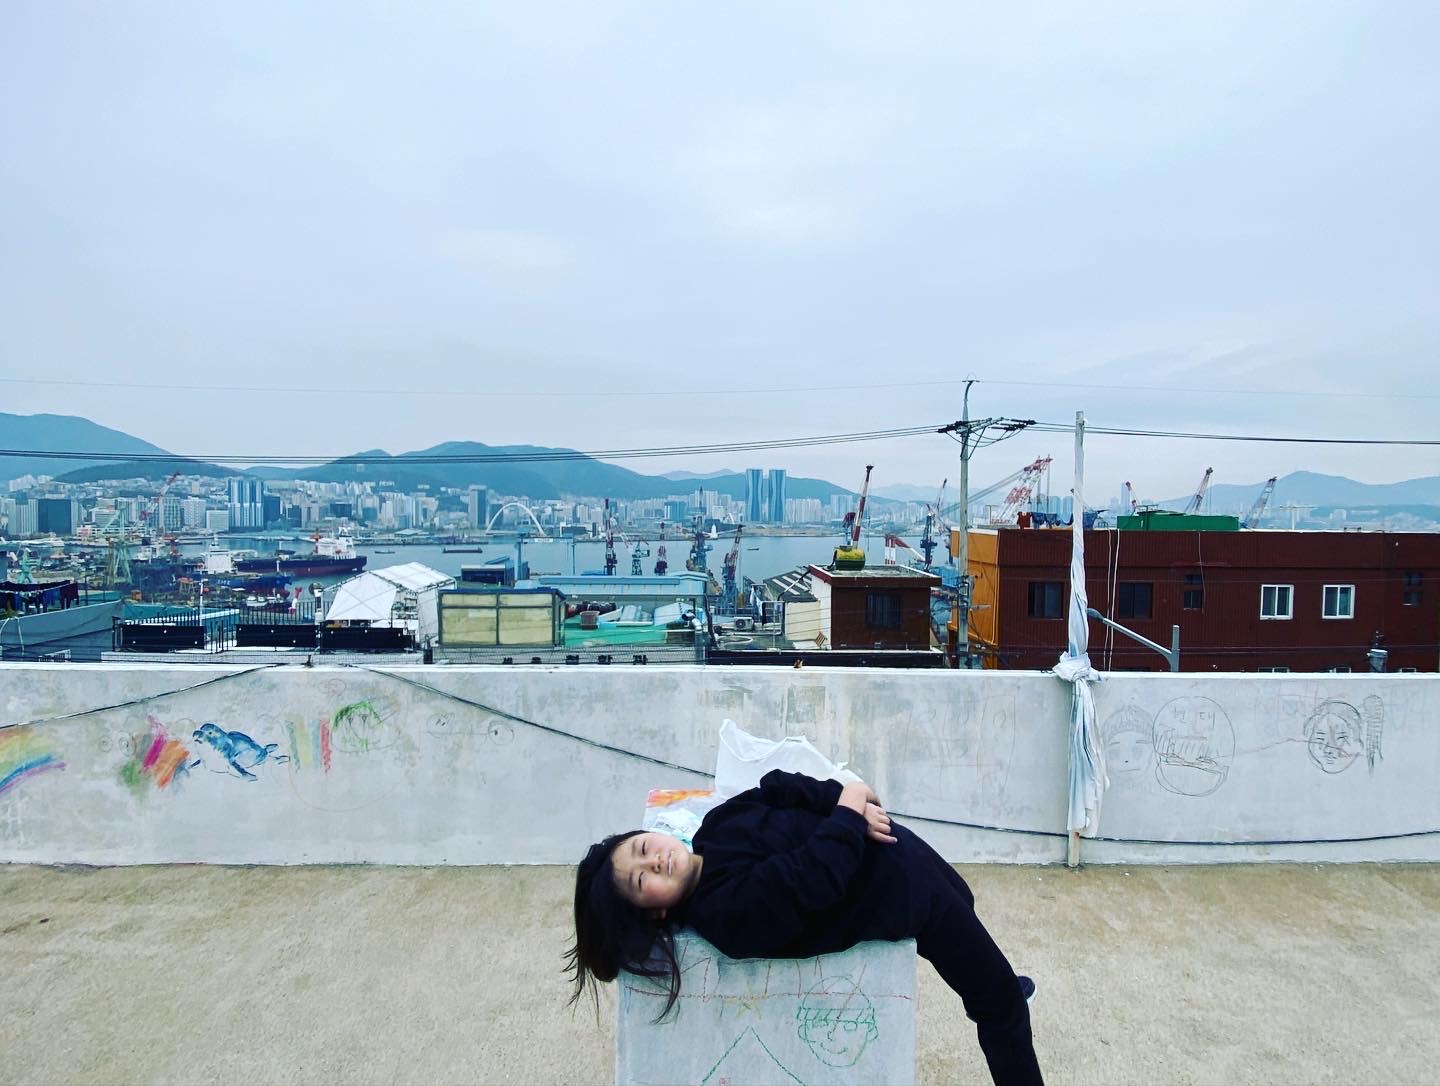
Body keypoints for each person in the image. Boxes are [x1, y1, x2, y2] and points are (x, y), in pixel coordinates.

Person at [566, 769, 1044, 1086]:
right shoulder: (724, 914)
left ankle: (994, 977)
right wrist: (850, 805)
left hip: (894, 846)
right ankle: (999, 993)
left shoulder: (715, 826)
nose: (653, 861)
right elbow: (814, 877)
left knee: (964, 898)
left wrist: (841, 798)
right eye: (641, 880)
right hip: (904, 893)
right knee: (999, 1008)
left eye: (641, 849)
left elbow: (777, 785)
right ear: (653, 913)